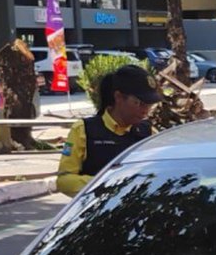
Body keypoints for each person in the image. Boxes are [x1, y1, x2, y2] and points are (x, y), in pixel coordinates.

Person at [57, 65, 161, 197]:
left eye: (149, 105)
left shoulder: (148, 133)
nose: (145, 110)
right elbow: (64, 181)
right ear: (118, 97)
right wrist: (108, 184)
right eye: (139, 103)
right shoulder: (84, 130)